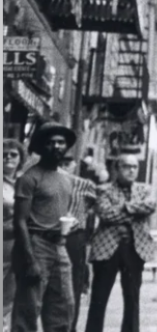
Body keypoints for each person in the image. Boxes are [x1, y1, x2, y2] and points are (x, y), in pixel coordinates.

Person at [12, 123, 77, 332]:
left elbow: (58, 212)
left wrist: (69, 224)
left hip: (59, 245)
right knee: (28, 309)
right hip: (35, 244)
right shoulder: (29, 178)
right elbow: (20, 220)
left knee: (63, 306)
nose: (56, 146)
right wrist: (29, 260)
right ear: (41, 147)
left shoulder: (66, 180)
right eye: (50, 143)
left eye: (60, 142)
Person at [84, 153, 156, 332]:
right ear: (116, 169)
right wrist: (135, 210)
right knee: (99, 299)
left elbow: (150, 206)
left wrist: (124, 207)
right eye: (126, 166)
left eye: (134, 167)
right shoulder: (103, 189)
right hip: (107, 249)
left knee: (132, 299)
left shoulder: (145, 189)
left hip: (135, 248)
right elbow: (106, 215)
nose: (131, 171)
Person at [56, 157, 95, 332]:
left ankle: (69, 327)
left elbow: (91, 208)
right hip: (46, 234)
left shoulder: (83, 185)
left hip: (73, 237)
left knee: (72, 284)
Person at [4, 140, 27, 332]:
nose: (8, 158)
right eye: (4, 154)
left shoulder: (24, 181)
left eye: (13, 154)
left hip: (19, 244)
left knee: (10, 291)